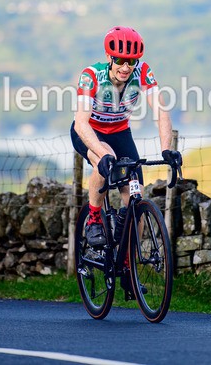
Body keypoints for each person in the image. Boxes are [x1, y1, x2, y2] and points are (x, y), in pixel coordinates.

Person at [70, 26, 182, 297]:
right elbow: (81, 123)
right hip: (89, 131)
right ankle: (95, 218)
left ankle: (128, 270)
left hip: (121, 131)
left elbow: (161, 111)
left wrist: (167, 149)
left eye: (130, 61)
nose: (125, 66)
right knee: (103, 154)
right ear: (110, 58)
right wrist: (102, 153)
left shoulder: (143, 72)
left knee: (135, 197)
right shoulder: (91, 76)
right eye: (120, 60)